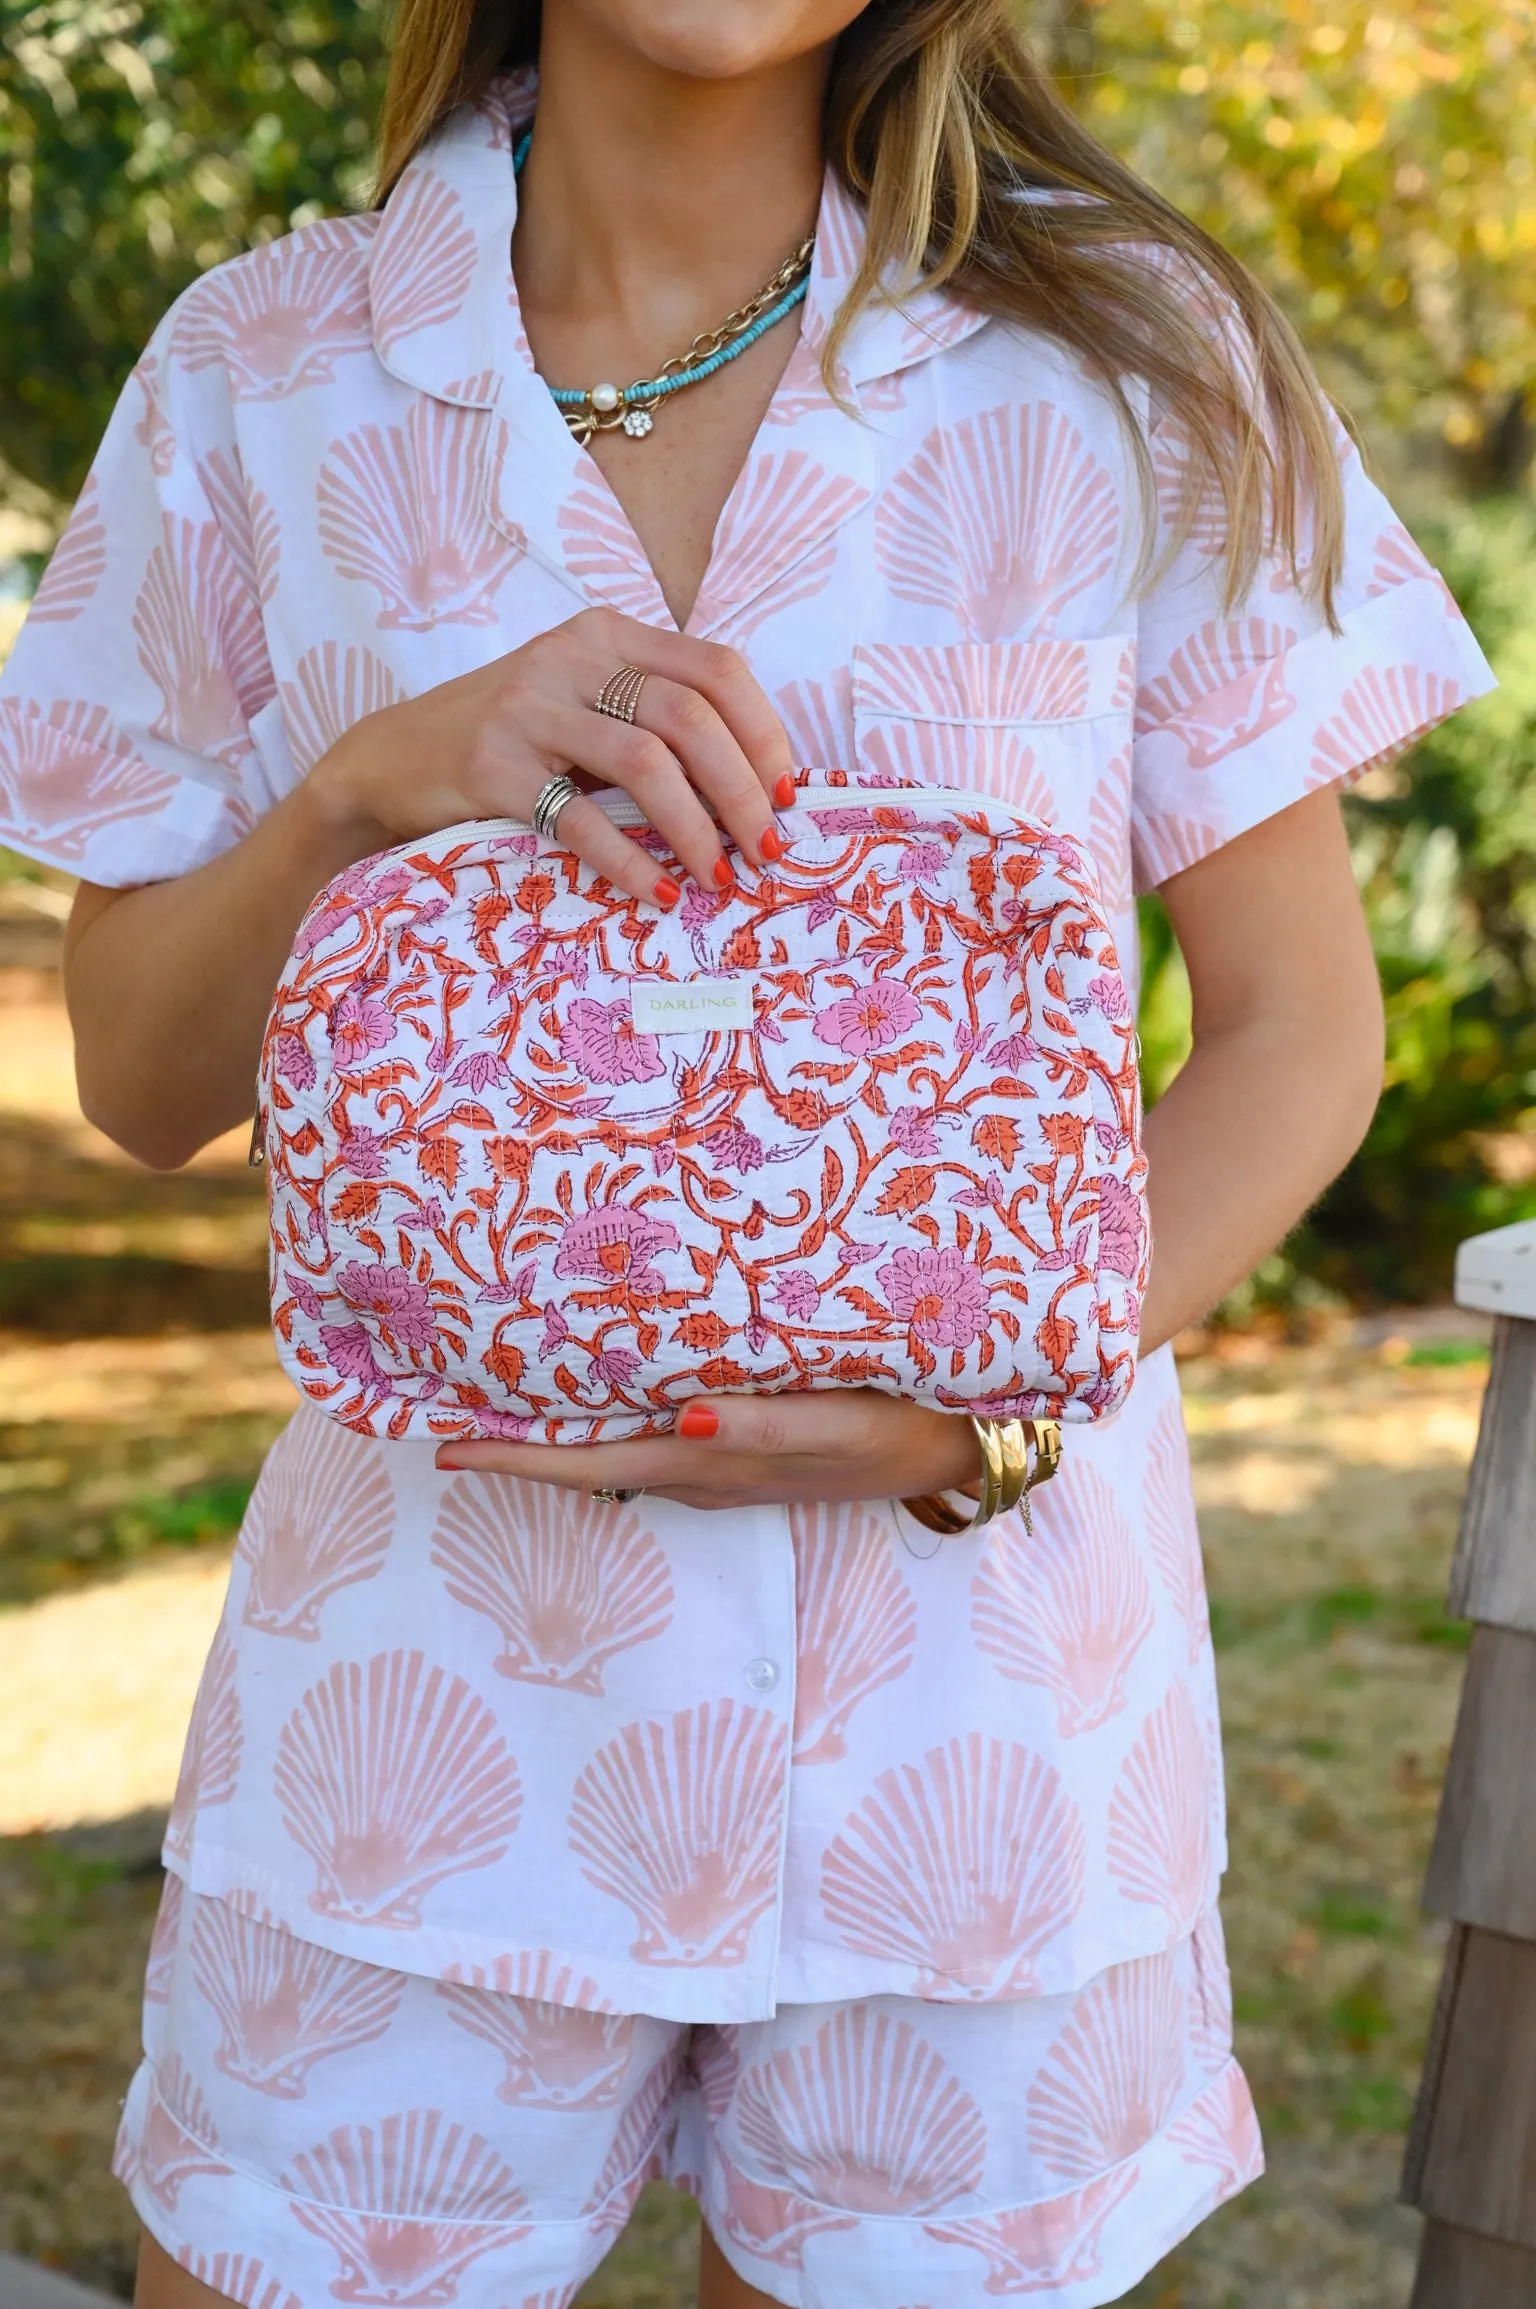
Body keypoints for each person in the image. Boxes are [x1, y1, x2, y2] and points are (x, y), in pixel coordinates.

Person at [0, 1, 1493, 2303]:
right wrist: (364, 783)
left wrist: (986, 1416)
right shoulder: (258, 373)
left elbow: (1300, 1031)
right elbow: (132, 1074)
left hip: (982, 1713)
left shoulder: (1136, 352)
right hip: (423, 1696)